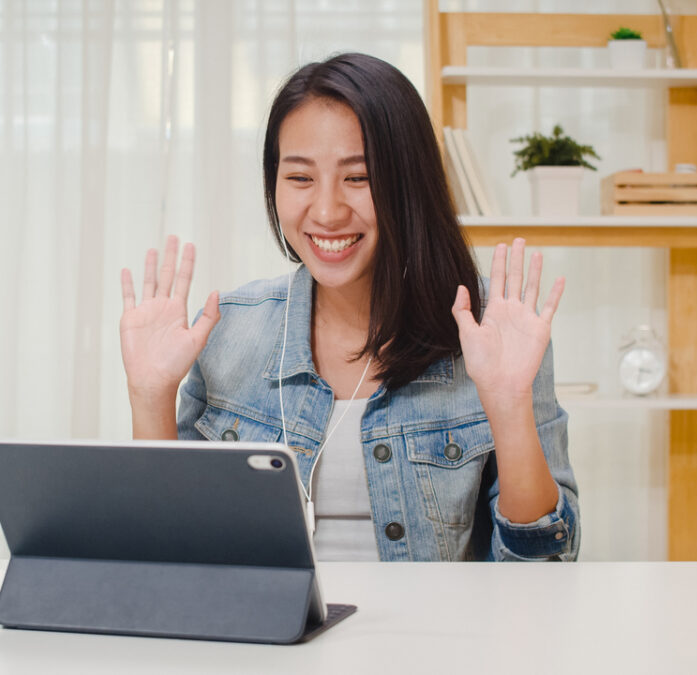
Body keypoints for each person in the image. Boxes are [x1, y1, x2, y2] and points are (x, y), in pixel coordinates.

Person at [118, 53, 578, 562]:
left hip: (433, 638)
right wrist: (150, 396)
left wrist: (509, 406)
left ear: (408, 184)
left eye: (357, 178)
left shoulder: (492, 330)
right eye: (300, 179)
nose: (328, 212)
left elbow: (545, 566)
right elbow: (170, 555)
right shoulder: (227, 331)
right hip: (267, 639)